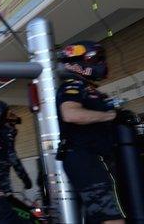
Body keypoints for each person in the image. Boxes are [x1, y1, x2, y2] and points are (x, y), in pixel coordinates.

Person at [56, 41, 125, 223]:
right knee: (112, 219)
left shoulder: (90, 90)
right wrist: (110, 116)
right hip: (84, 159)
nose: (101, 64)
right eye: (96, 59)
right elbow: (70, 114)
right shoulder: (72, 85)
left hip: (98, 160)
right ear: (79, 62)